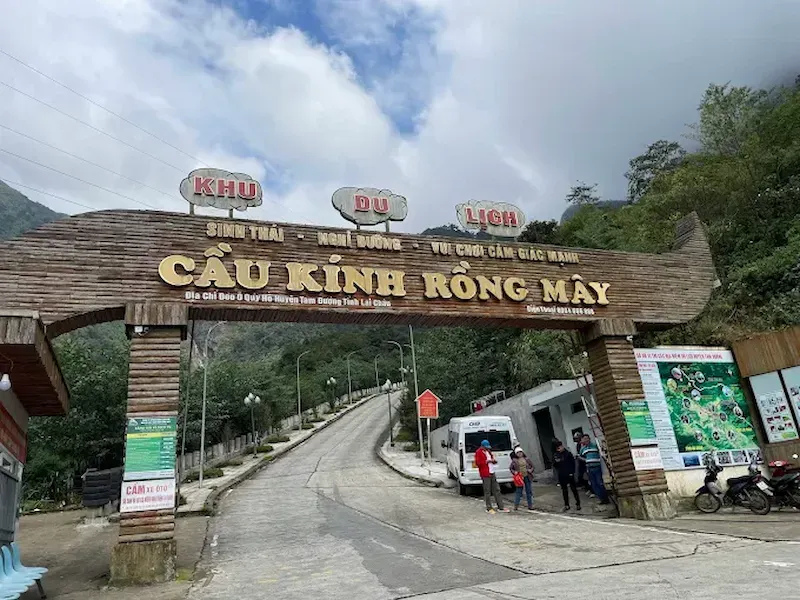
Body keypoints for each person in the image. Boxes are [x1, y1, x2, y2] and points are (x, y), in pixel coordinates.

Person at [475, 439, 508, 513]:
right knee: (487, 491)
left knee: (497, 489)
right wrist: (486, 461)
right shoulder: (478, 452)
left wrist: (493, 461)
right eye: (486, 447)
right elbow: (478, 463)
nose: (487, 448)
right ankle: (489, 508)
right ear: (482, 446)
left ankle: (501, 507)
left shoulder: (488, 451)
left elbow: (493, 460)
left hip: (492, 472)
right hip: (485, 473)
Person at [579, 434, 609, 504]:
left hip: (597, 467)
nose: (586, 440)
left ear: (589, 439)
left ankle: (605, 498)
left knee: (600, 483)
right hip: (589, 468)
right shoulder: (583, 449)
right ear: (582, 440)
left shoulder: (595, 445)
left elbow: (602, 451)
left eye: (587, 438)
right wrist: (586, 460)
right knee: (594, 484)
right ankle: (601, 499)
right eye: (584, 439)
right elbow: (580, 456)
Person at [552, 440, 581, 511]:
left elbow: (572, 464)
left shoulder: (568, 453)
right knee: (564, 490)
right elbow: (555, 465)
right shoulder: (556, 455)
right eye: (558, 448)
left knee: (574, 489)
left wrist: (572, 472)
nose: (559, 449)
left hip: (569, 473)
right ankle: (566, 505)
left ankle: (578, 503)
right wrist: (556, 462)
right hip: (562, 474)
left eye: (560, 447)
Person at [509, 446, 535, 511]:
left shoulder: (527, 459)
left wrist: (530, 470)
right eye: (518, 453)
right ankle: (516, 505)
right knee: (519, 491)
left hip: (527, 476)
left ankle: (530, 505)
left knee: (529, 491)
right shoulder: (514, 461)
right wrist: (514, 472)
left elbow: (532, 466)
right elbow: (511, 468)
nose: (520, 454)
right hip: (519, 477)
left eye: (521, 452)